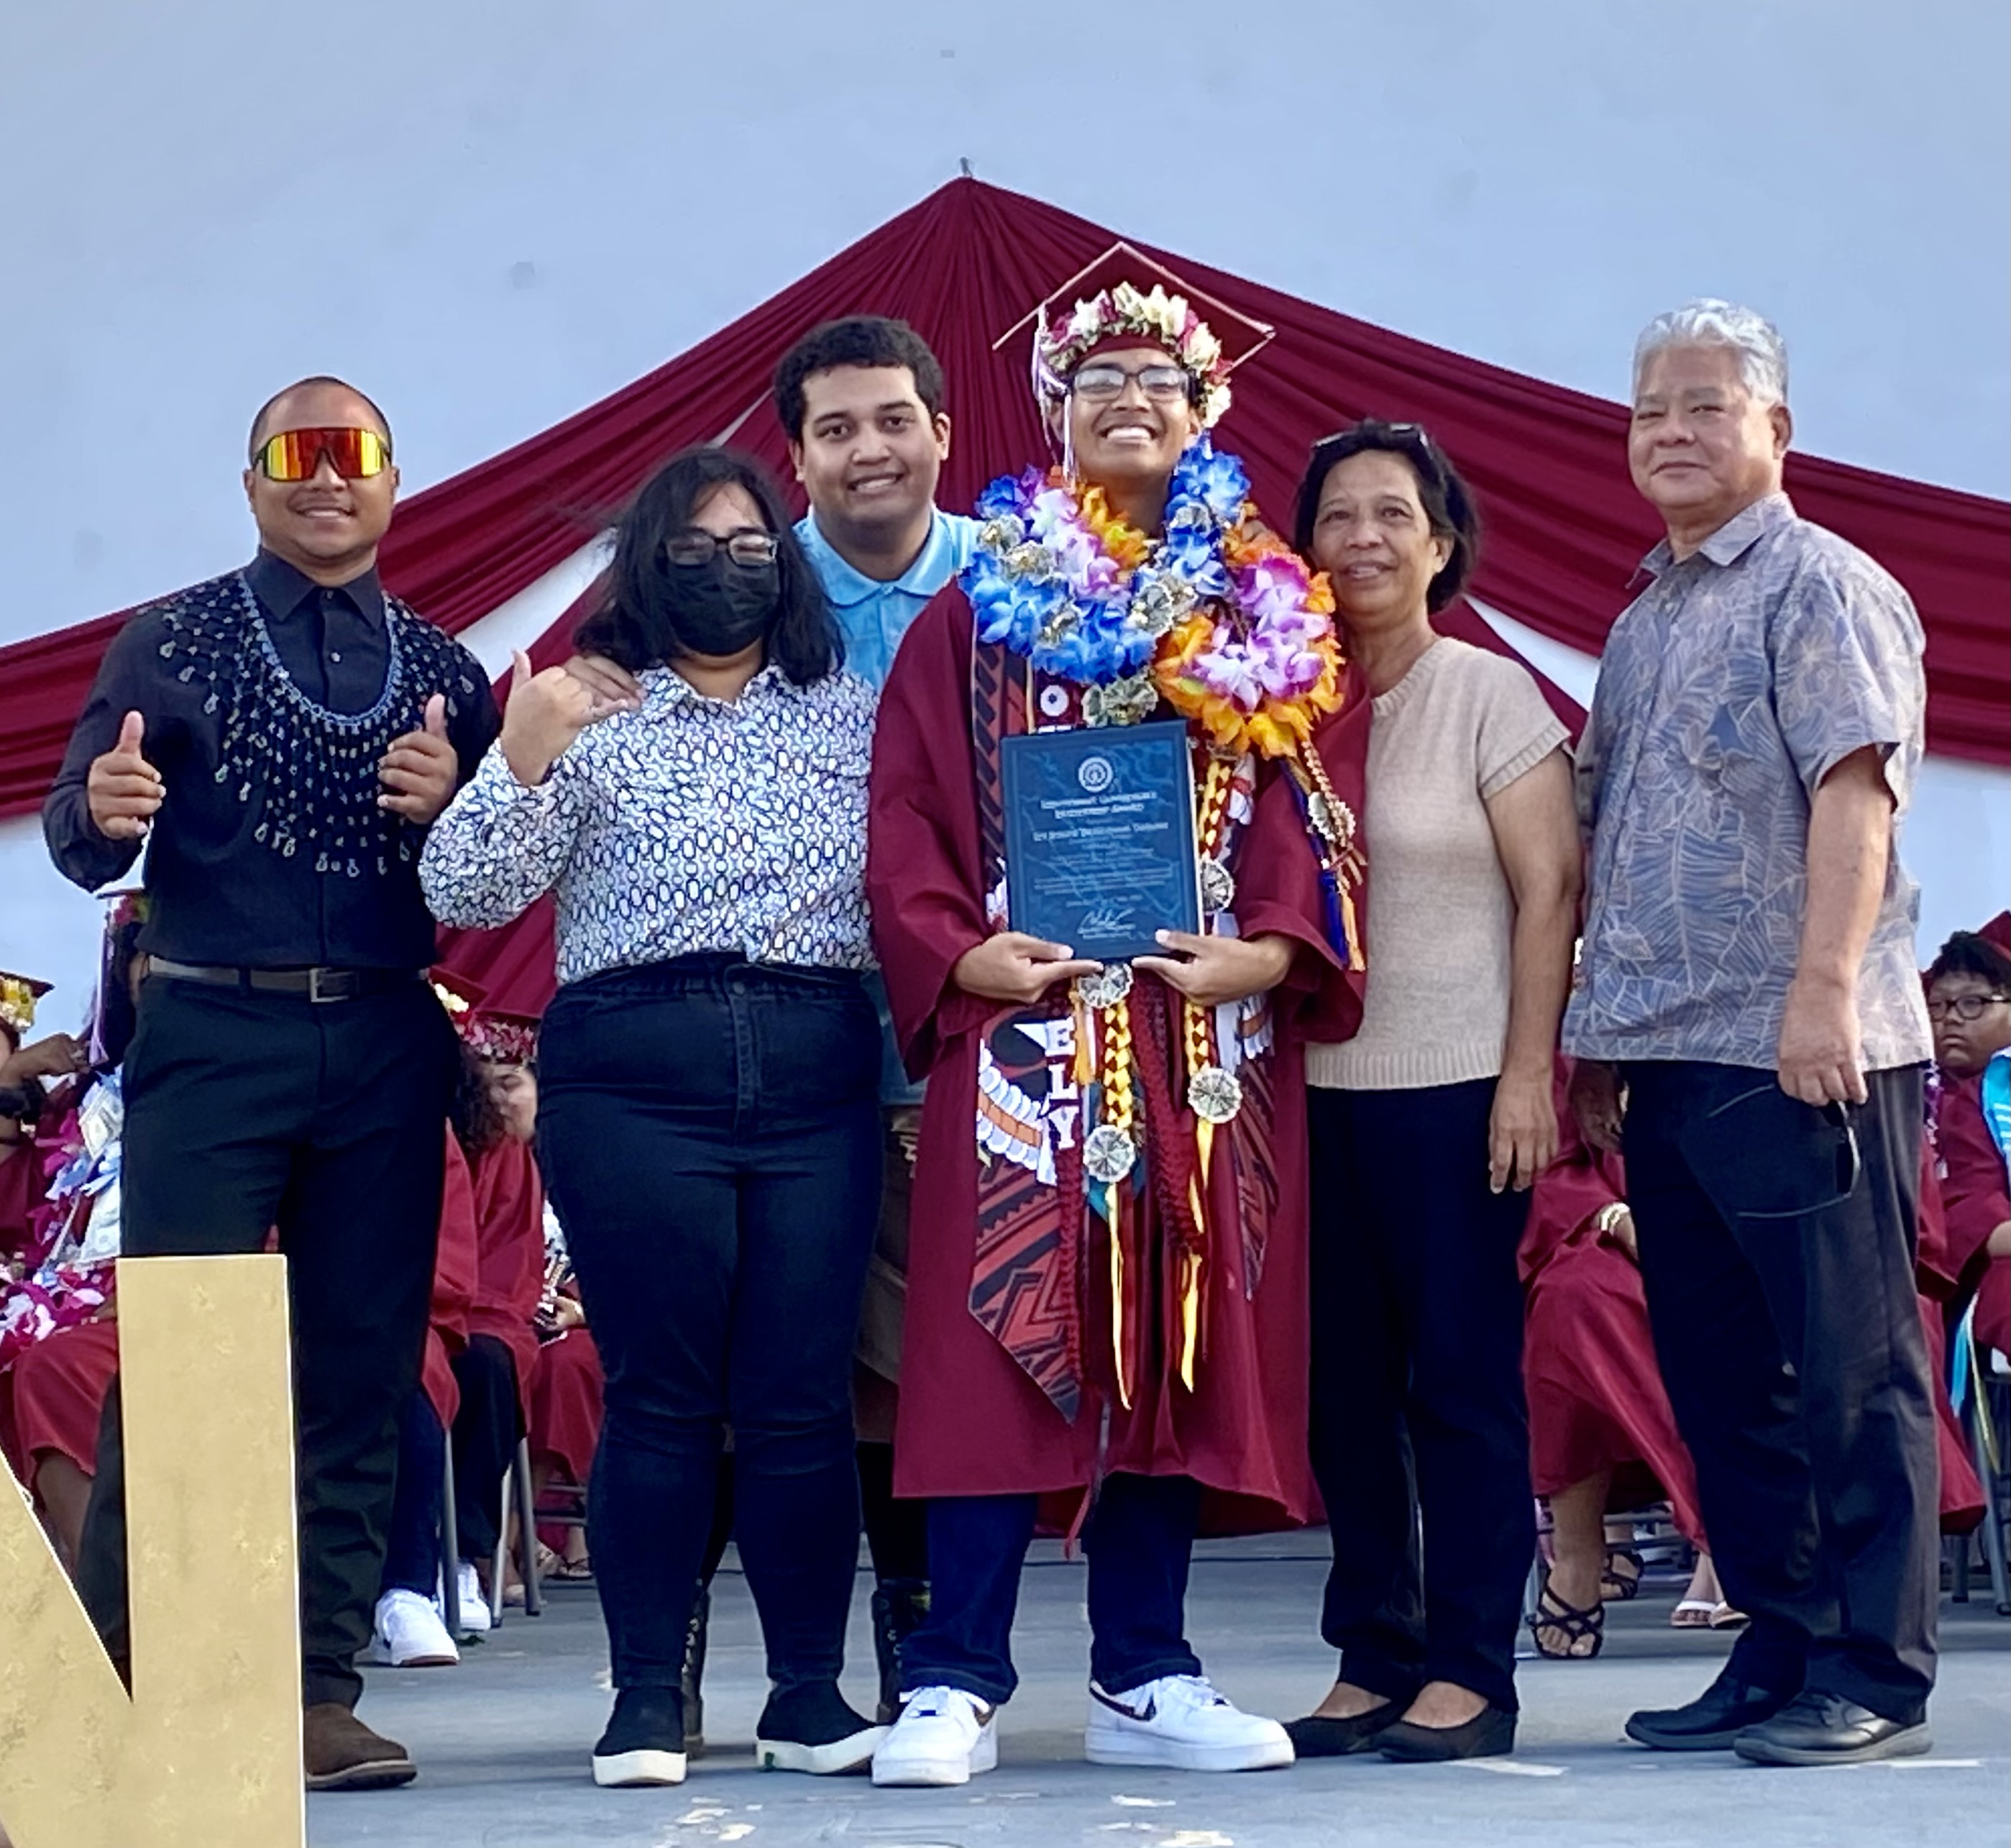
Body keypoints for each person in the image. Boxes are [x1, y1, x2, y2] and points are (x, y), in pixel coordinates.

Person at [866, 267, 1368, 1787]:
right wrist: (959, 954)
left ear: (1205, 409)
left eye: (1159, 381)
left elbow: (1310, 805)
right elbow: (904, 812)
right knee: (988, 1342)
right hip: (1023, 1023)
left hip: (1196, 1038)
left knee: (1175, 1340)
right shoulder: (973, 617)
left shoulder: (1265, 611)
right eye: (1099, 381)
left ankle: (1144, 1670)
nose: (1129, 402)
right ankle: (953, 1678)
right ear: (1053, 411)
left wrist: (1268, 948)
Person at [40, 377, 498, 1791]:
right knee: (181, 1355)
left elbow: (495, 872)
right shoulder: (166, 640)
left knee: (360, 1368)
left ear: (394, 482)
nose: (325, 478)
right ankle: (129, 1686)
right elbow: (74, 823)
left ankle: (313, 1692)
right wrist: (96, 813)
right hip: (209, 1032)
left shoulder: (446, 670)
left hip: (383, 1040)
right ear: (250, 485)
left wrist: (461, 797)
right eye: (294, 455)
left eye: (353, 454)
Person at [421, 446, 886, 1788]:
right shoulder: (583, 703)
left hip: (813, 1060)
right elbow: (466, 892)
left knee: (799, 1397)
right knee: (661, 1393)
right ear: (644, 566)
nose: (724, 570)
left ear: (785, 564)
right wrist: (519, 755)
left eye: (750, 548)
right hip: (635, 1070)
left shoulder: (850, 710)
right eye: (692, 549)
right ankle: (641, 1699)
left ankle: (808, 1695)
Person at [1565, 301, 1940, 1767]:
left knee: (1848, 1370)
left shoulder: (1821, 584)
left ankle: (1875, 1671)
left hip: (1802, 1051)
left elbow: (1855, 790)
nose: (1670, 430)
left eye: (1704, 405)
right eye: (1648, 408)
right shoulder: (1643, 616)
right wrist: (1598, 1042)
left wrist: (1821, 991)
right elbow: (1619, 837)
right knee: (1726, 1385)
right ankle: (1780, 1645)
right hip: (1669, 1060)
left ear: (1775, 427)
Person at [1283, 421, 1578, 1761]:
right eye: (1336, 516)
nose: (1362, 538)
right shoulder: (1275, 706)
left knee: (1460, 1383)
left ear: (1440, 544)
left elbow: (1551, 894)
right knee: (1343, 1391)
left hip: (1456, 1089)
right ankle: (1373, 1650)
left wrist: (1527, 1076)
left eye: (1391, 514)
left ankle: (1470, 1665)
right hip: (1309, 1095)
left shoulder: (1486, 693)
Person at [371, 992, 548, 1668]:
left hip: (474, 1309)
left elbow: (502, 1261)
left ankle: (465, 1557)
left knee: (484, 1365)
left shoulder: (497, 1147)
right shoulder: (377, 1119)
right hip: (390, 1306)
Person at [1927, 926, 2011, 1355]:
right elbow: (1973, 1211)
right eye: (1937, 1006)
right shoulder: (1937, 1103)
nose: (1952, 1018)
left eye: (1974, 1003)